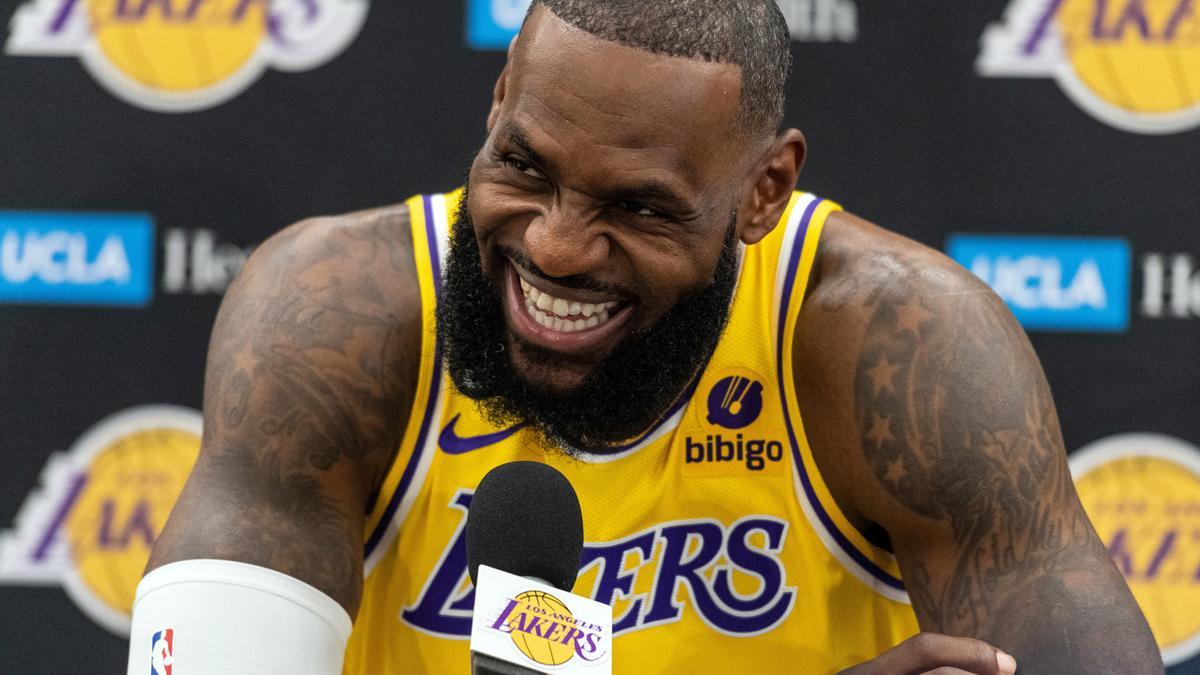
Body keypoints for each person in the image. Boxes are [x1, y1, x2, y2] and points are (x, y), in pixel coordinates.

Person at [128, 1, 1162, 673]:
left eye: (640, 208)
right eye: (524, 167)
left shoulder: (897, 344)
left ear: (764, 191)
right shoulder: (335, 319)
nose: (560, 247)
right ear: (496, 105)